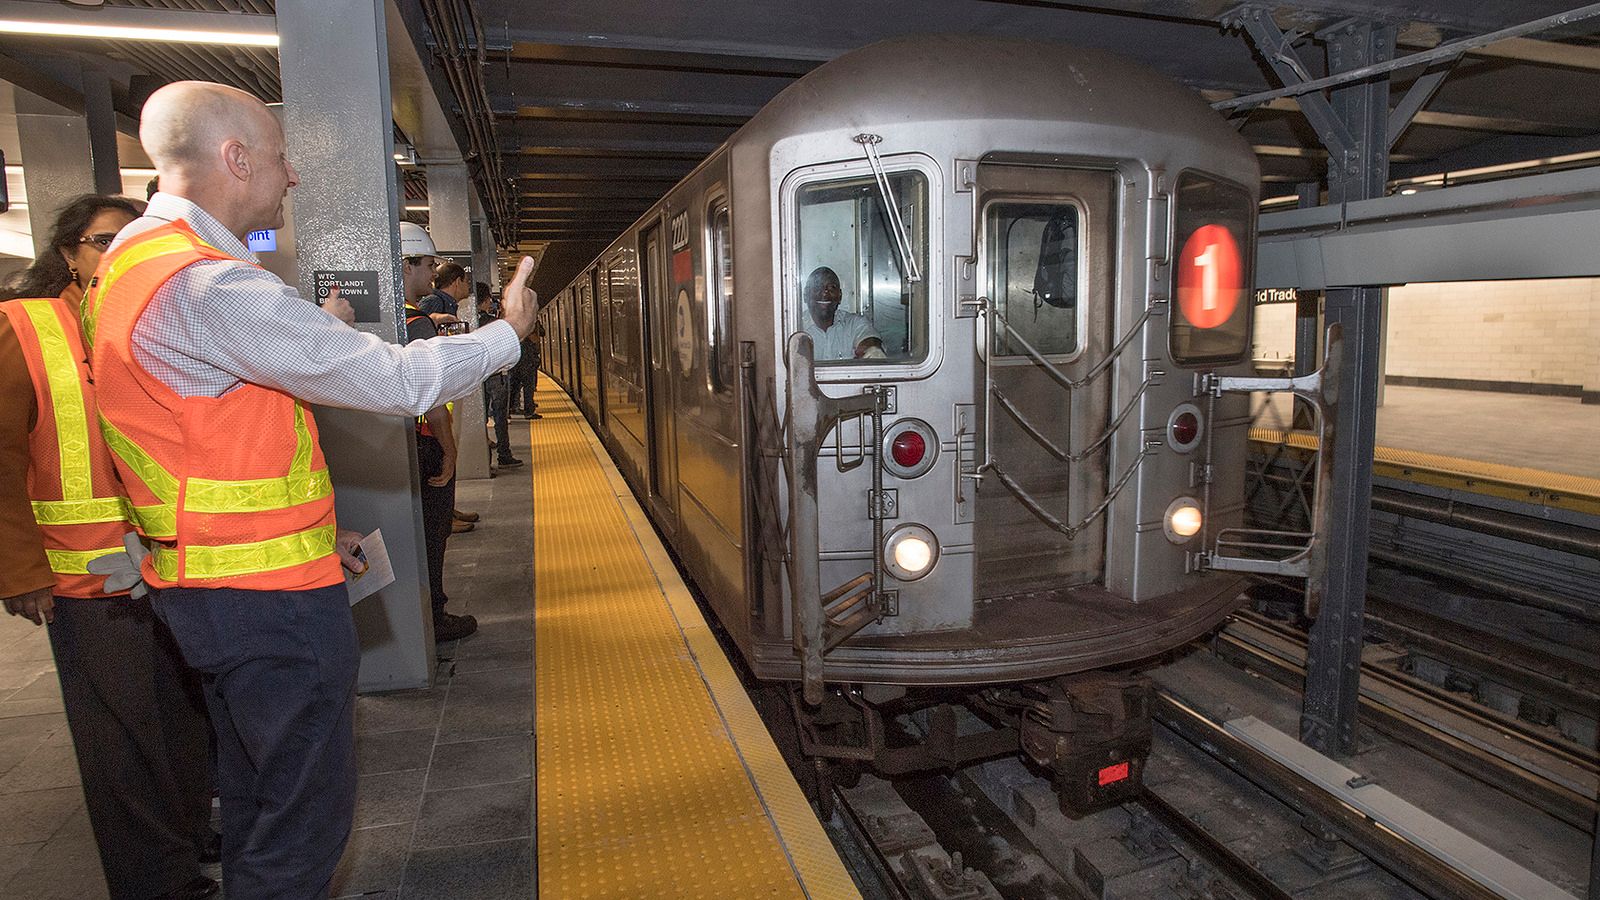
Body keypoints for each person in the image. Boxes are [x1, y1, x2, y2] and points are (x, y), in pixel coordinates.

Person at [84, 81, 535, 899]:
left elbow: (197, 443)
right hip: (268, 604)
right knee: (302, 826)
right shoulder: (205, 286)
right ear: (235, 158)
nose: (293, 178)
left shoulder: (127, 269)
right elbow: (399, 383)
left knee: (261, 798)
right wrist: (506, 334)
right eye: (283, 158)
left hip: (205, 585)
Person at [0, 194, 219, 900]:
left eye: (134, 242)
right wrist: (18, 570)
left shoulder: (147, 318)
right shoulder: (21, 326)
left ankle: (190, 831)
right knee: (120, 733)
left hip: (170, 563)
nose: (117, 255)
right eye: (102, 241)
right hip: (85, 578)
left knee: (183, 710)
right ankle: (153, 878)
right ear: (68, 252)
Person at [398, 222, 478, 640]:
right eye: (427, 265)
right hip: (428, 442)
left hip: (406, 441)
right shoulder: (420, 324)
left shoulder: (410, 318)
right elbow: (430, 398)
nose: (432, 274)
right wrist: (449, 450)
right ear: (407, 265)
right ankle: (437, 616)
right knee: (434, 533)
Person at [476, 282, 522, 468]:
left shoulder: (469, 320)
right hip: (496, 375)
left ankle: (484, 461)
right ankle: (504, 454)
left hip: (477, 376)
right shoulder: (491, 322)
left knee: (482, 416)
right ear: (486, 300)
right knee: (500, 416)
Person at [801, 265, 886, 360]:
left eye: (831, 288)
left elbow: (870, 340)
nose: (825, 293)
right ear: (805, 295)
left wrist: (870, 348)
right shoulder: (795, 327)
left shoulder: (854, 323)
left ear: (840, 296)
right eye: (817, 287)